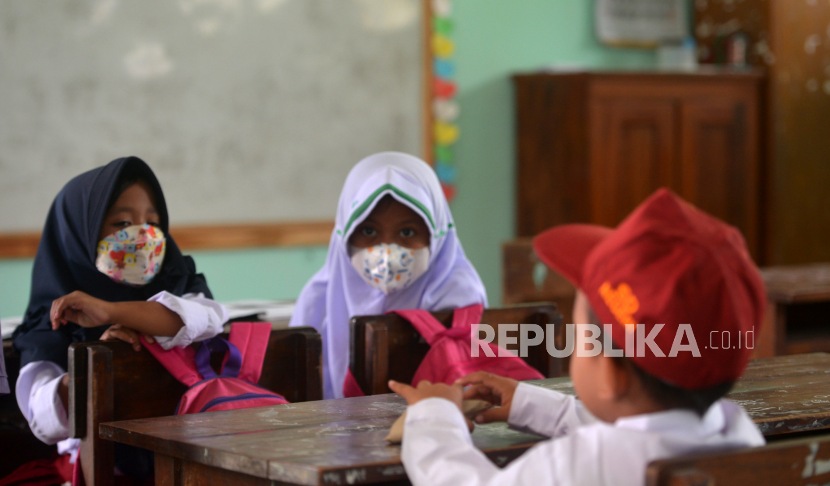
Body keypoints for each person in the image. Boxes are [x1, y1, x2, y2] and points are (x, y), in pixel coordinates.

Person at [390, 188, 767, 486]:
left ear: (613, 374)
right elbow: (645, 434)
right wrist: (532, 405)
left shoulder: (577, 467)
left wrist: (434, 417)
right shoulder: (741, 438)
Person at [12, 157, 228, 473]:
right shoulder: (53, 317)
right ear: (79, 232)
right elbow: (42, 416)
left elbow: (208, 318)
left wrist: (113, 312)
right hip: (101, 470)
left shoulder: (177, 278)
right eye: (122, 224)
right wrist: (98, 363)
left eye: (152, 224)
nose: (143, 236)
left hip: (190, 462)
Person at [290, 152, 487, 399]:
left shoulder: (458, 297)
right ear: (345, 236)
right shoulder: (318, 301)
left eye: (407, 232)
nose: (387, 252)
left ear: (436, 234)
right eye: (369, 230)